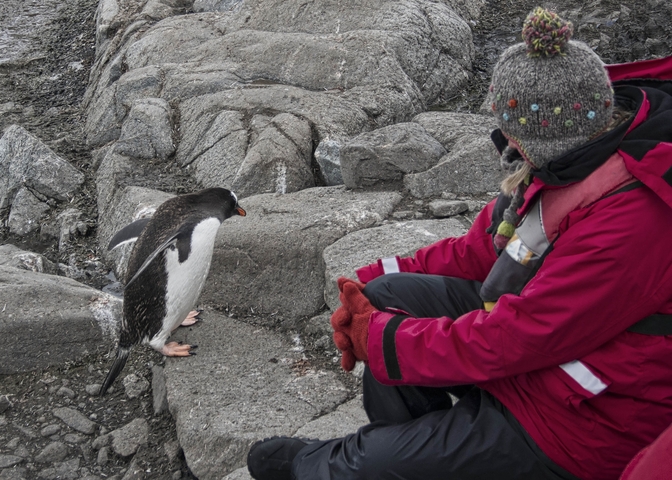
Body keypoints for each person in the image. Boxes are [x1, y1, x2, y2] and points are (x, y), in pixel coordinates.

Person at [247, 7, 672, 480]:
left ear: (538, 133)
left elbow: (520, 336)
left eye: (506, 124)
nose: (502, 135)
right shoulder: (577, 158)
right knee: (385, 300)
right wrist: (370, 279)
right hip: (549, 357)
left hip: (586, 419)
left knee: (376, 453)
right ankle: (423, 446)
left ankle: (368, 460)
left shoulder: (634, 215)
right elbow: (481, 250)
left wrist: (383, 340)